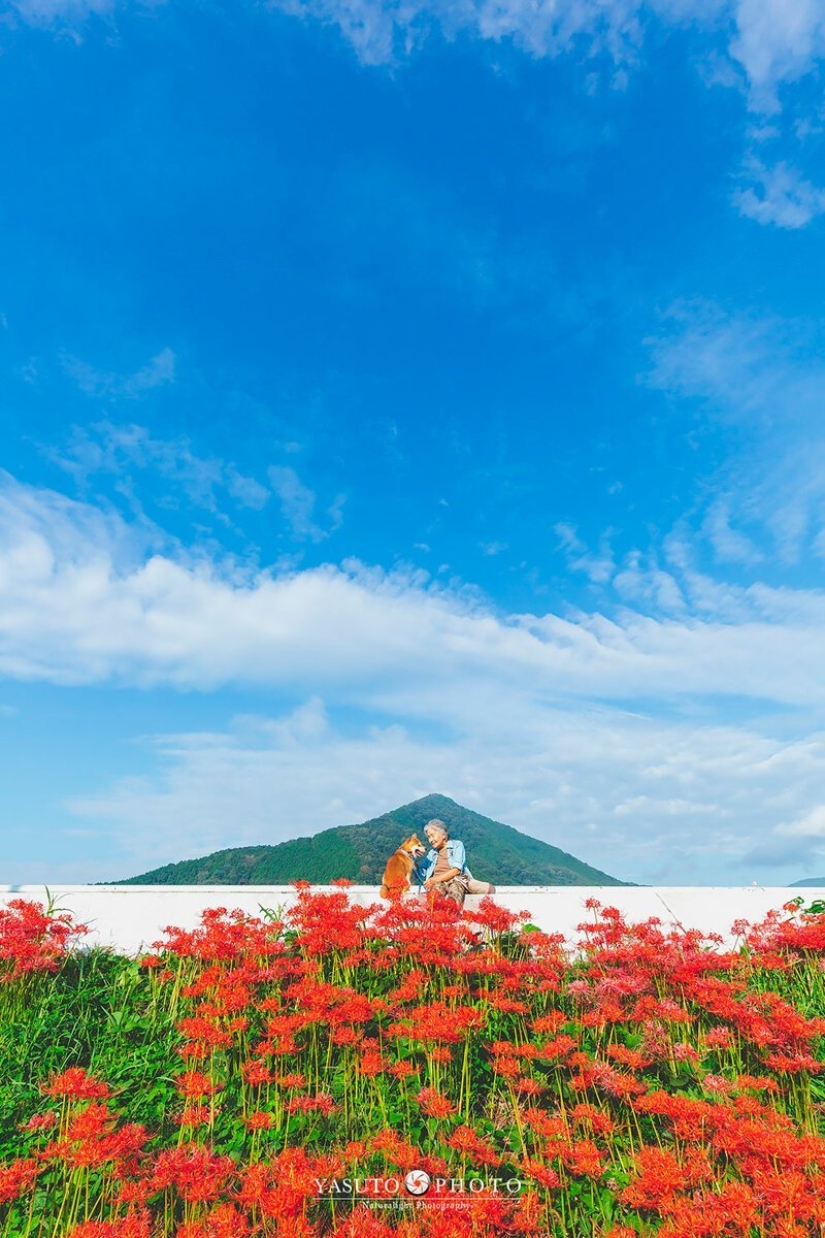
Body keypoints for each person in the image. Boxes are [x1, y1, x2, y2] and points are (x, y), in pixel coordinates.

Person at [415, 818, 496, 906]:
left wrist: (435, 879)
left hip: (456, 880)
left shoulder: (457, 845)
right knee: (435, 894)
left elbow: (456, 870)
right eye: (428, 837)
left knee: (455, 890)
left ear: (443, 834)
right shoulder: (432, 853)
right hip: (438, 883)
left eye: (432, 835)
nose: (430, 840)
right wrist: (410, 859)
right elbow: (420, 872)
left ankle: (452, 911)